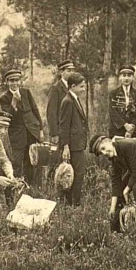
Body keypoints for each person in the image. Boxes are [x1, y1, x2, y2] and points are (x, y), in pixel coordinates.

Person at [90, 134, 136, 231]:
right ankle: (117, 226)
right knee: (121, 186)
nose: (105, 153)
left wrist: (127, 189)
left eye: (103, 148)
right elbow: (116, 181)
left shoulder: (126, 145)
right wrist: (112, 207)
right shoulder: (113, 157)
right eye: (101, 152)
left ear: (109, 141)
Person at [0, 69, 44, 187]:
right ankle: (16, 186)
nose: (14, 83)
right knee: (17, 162)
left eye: (17, 80)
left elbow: (35, 110)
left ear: (20, 81)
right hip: (17, 135)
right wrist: (14, 102)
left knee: (33, 160)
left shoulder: (26, 92)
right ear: (7, 82)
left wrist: (41, 130)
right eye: (11, 81)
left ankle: (32, 187)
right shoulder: (4, 98)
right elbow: (7, 118)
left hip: (32, 132)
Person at [57, 72, 90, 206]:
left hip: (77, 144)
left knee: (77, 174)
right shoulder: (68, 101)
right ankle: (73, 204)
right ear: (73, 86)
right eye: (81, 87)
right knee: (75, 175)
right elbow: (64, 126)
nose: (84, 89)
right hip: (73, 146)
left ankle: (71, 203)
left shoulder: (74, 99)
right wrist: (65, 146)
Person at [109, 65, 136, 139]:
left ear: (133, 78)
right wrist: (125, 125)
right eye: (124, 75)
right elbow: (113, 112)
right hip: (118, 130)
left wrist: (130, 129)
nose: (126, 78)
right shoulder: (113, 94)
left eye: (129, 75)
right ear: (120, 77)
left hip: (135, 130)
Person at [45, 59, 75, 150]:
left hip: (73, 131)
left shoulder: (74, 87)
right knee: (60, 158)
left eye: (73, 70)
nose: (71, 73)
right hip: (61, 132)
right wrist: (54, 133)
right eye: (68, 71)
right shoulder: (56, 89)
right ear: (61, 72)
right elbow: (51, 113)